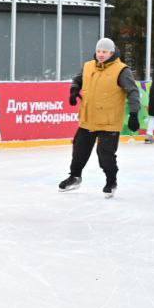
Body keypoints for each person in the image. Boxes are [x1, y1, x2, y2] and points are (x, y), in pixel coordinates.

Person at [59, 37, 140, 198]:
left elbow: (133, 91)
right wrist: (74, 90)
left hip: (109, 121)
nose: (101, 54)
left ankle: (111, 182)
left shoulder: (122, 70)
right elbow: (78, 79)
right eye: (99, 51)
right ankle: (75, 176)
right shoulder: (88, 66)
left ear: (112, 52)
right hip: (88, 118)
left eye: (105, 51)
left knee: (105, 155)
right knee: (79, 150)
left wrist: (134, 113)